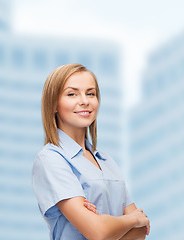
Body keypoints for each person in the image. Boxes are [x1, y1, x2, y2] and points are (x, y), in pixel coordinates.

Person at [32, 63, 150, 240]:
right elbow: (98, 232)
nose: (84, 101)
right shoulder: (51, 159)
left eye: (90, 93)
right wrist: (131, 220)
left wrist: (107, 223)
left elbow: (141, 230)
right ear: (54, 105)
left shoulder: (106, 161)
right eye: (72, 94)